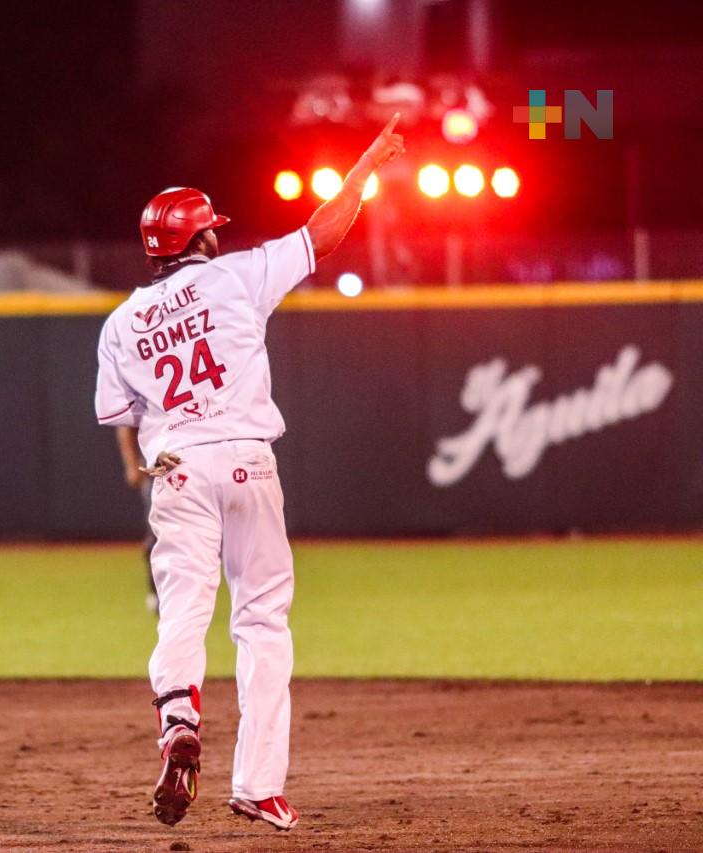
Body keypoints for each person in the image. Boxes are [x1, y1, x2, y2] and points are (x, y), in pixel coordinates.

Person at [93, 115, 405, 832]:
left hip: (175, 466)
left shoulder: (120, 323)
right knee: (262, 619)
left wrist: (157, 451)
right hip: (246, 459)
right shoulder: (237, 277)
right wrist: (364, 168)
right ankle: (258, 786)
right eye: (212, 229)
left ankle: (177, 714)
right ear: (200, 238)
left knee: (183, 606)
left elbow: (121, 414)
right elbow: (322, 234)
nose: (218, 236)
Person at [115, 425, 159, 612]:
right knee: (157, 536)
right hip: (159, 469)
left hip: (197, 464)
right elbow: (126, 425)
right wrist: (132, 464)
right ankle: (157, 592)